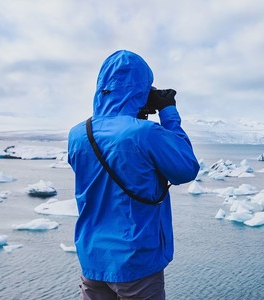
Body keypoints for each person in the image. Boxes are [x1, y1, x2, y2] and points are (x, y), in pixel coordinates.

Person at [68, 50, 200, 299]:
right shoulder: (145, 133)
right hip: (136, 260)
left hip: (92, 258)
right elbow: (186, 168)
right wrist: (168, 111)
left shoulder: (77, 134)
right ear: (140, 89)